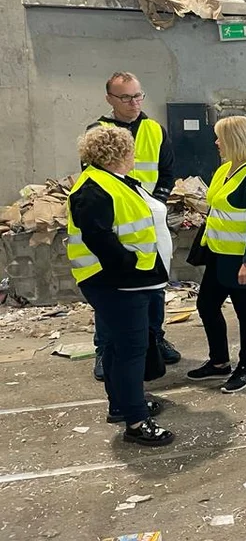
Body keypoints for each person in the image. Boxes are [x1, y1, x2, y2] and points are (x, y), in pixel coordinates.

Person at [67, 126, 174, 447]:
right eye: (130, 150)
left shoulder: (111, 181)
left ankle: (122, 405)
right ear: (117, 154)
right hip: (115, 282)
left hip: (123, 281)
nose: (134, 156)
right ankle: (136, 422)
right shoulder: (93, 189)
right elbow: (98, 237)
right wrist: (128, 267)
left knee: (118, 346)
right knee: (131, 349)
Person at [89, 71, 180, 380]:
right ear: (110, 99)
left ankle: (155, 338)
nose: (134, 103)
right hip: (117, 224)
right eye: (126, 97)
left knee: (154, 283)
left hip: (150, 221)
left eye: (138, 95)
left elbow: (167, 172)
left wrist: (157, 202)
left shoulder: (155, 130)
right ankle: (105, 349)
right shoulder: (98, 132)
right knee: (113, 289)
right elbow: (94, 180)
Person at [187, 116, 246, 393]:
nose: (216, 142)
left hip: (241, 260)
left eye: (220, 137)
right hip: (218, 254)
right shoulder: (224, 169)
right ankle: (219, 361)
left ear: (235, 140)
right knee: (206, 305)